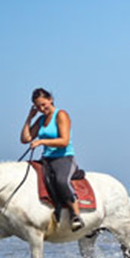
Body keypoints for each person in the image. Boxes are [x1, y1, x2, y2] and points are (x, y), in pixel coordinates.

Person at [20, 87, 84, 231]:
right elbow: (25, 139)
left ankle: (76, 214)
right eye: (38, 106)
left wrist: (42, 142)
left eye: (44, 104)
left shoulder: (60, 115)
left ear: (50, 100)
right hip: (46, 159)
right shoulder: (41, 119)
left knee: (61, 181)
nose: (42, 108)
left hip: (64, 157)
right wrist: (29, 117)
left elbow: (64, 141)